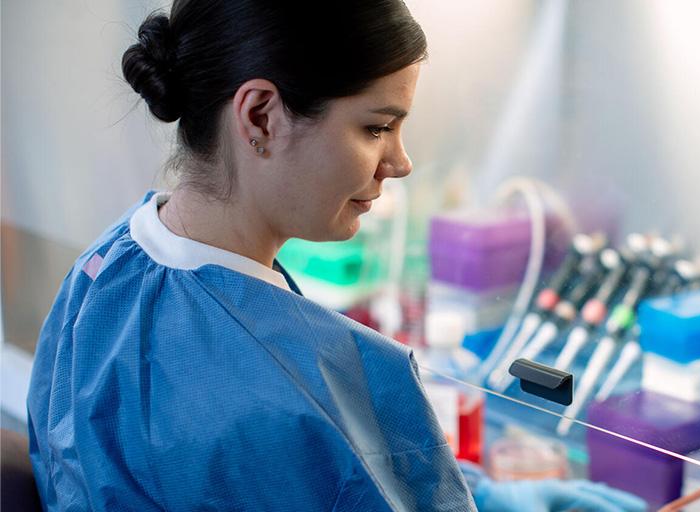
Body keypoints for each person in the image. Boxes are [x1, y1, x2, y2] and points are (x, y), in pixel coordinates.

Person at [26, 1, 645, 511]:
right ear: (261, 116)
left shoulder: (107, 266)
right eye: (377, 127)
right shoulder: (287, 389)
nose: (400, 162)